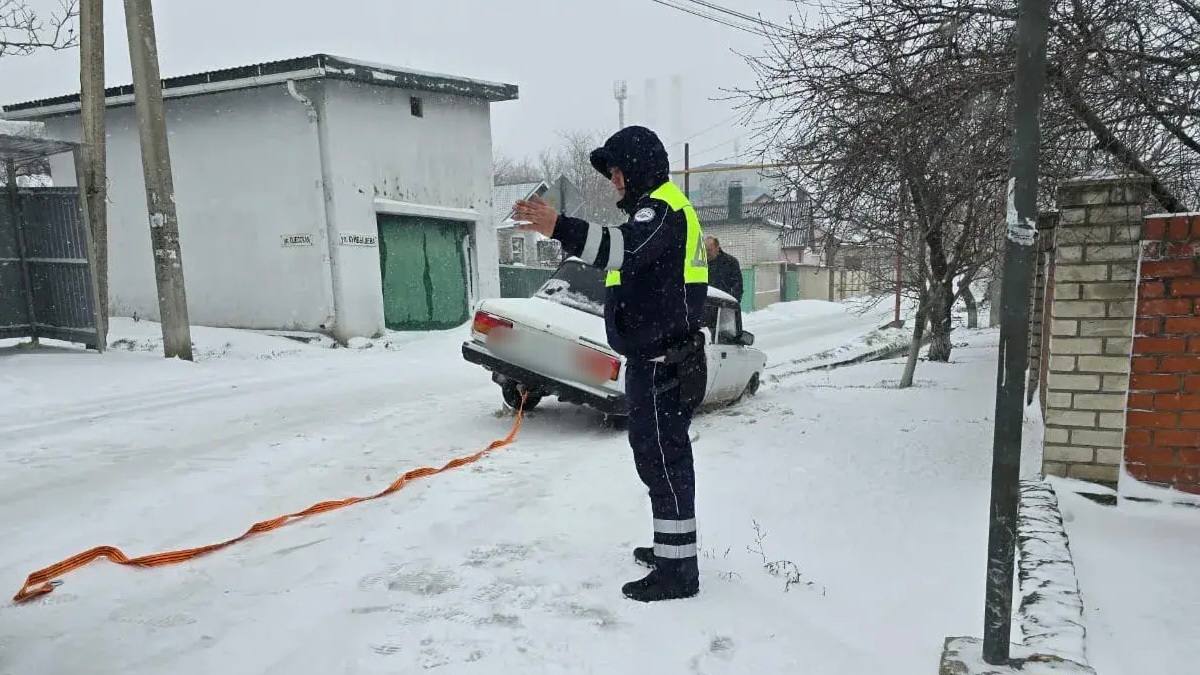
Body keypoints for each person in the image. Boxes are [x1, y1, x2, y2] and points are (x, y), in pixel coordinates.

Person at [513, 126, 708, 602]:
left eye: (617, 171)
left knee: (664, 463)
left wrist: (560, 226)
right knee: (657, 459)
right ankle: (670, 551)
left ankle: (678, 573)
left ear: (636, 168)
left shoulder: (661, 211)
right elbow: (625, 258)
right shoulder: (657, 210)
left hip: (665, 365)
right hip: (655, 362)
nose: (613, 180)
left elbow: (622, 248)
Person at [705, 236, 743, 302]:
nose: (706, 253)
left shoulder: (730, 262)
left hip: (724, 305)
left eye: (709, 250)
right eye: (704, 250)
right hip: (705, 304)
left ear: (717, 248)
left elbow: (738, 287)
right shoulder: (700, 263)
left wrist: (731, 303)